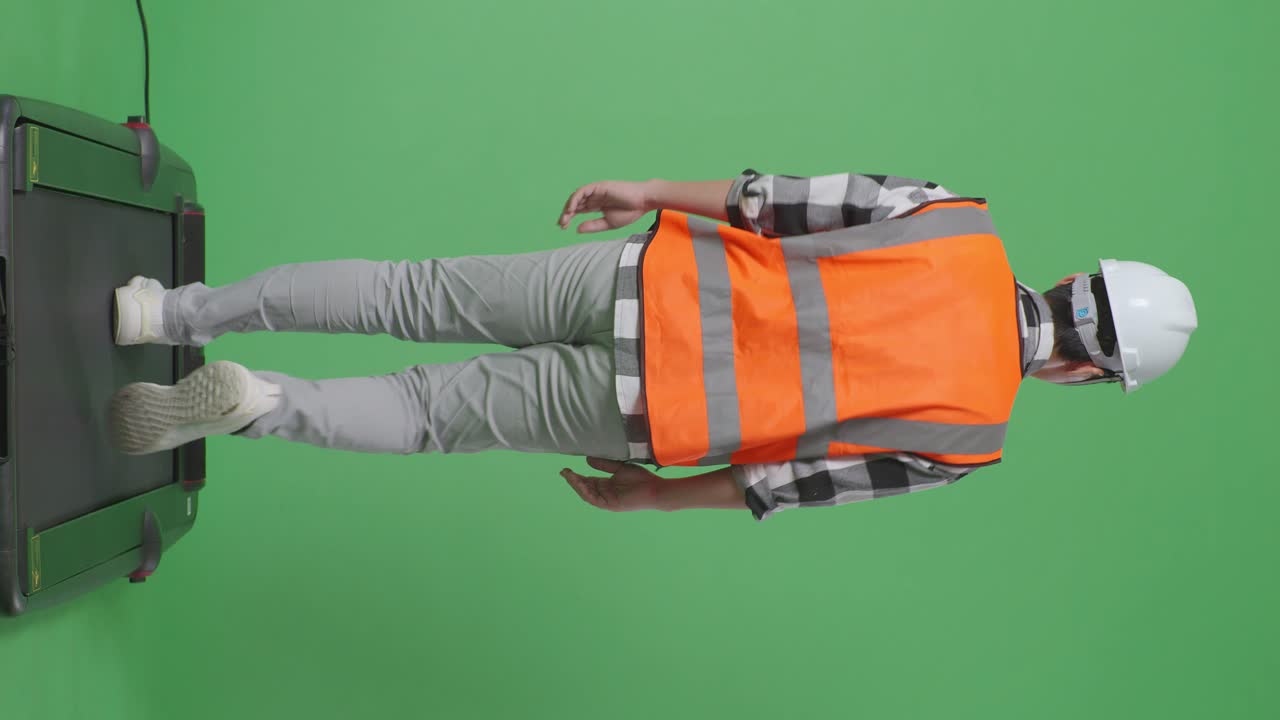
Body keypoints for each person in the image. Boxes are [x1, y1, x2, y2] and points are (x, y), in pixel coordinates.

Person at [109, 169, 1198, 521]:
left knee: (408, 293)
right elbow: (787, 482)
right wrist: (652, 497)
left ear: (1073, 282)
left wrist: (645, 187)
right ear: (1083, 371)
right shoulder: (966, 441)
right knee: (433, 413)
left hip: (645, 277)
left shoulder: (953, 217)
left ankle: (166, 316)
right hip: (649, 411)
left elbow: (768, 199)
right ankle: (258, 402)